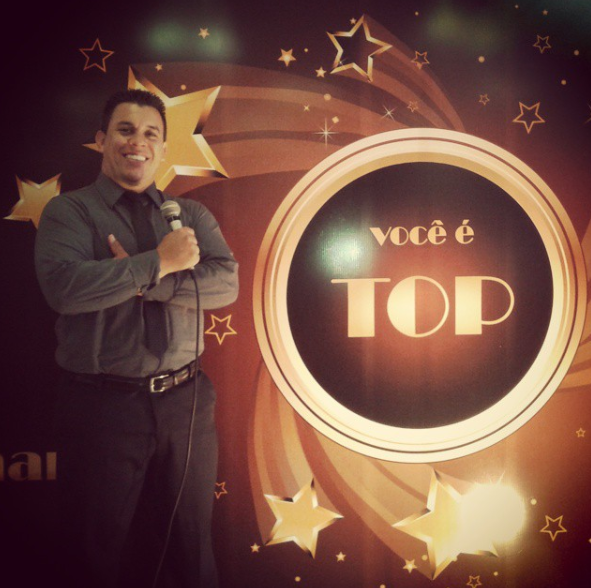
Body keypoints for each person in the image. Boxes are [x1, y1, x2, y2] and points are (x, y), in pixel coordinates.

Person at [34, 89, 238, 588]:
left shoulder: (189, 216)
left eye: (151, 134)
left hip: (186, 404)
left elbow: (226, 284)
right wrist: (161, 262)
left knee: (191, 551)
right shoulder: (69, 212)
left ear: (164, 149)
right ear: (102, 140)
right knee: (93, 554)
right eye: (125, 130)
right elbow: (65, 289)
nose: (137, 142)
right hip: (102, 408)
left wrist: (149, 280)